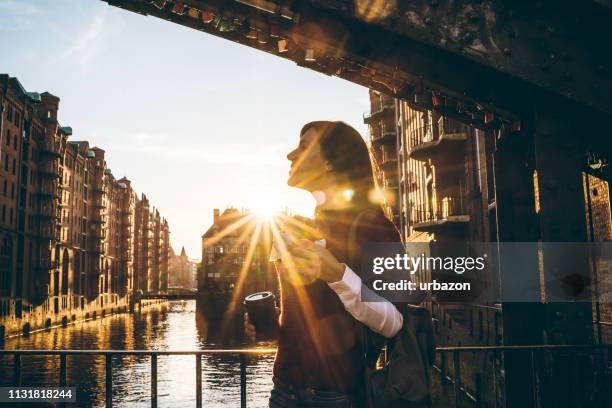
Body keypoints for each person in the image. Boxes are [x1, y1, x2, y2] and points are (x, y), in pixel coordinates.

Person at [245, 121, 404, 407]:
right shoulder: (295, 230)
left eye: (304, 147)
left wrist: (336, 274)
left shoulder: (375, 227)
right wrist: (273, 325)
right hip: (283, 391)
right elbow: (306, 317)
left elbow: (394, 321)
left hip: (336, 397)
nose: (290, 155)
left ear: (331, 162)